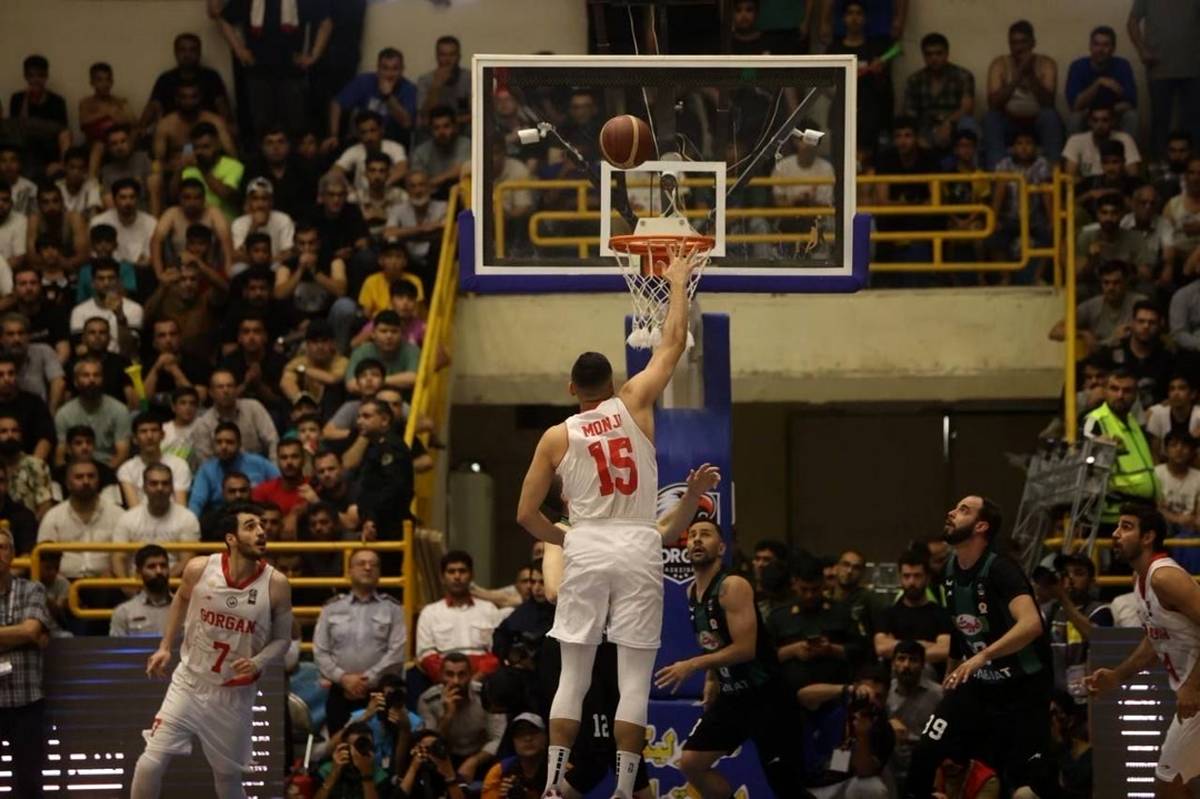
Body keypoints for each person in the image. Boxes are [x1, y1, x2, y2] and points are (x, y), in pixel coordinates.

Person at [515, 250, 698, 799]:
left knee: (573, 675)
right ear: (614, 381)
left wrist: (566, 537)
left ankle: (553, 784)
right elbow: (672, 343)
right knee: (634, 679)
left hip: (589, 542)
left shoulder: (557, 436)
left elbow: (525, 515)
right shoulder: (635, 400)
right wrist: (677, 282)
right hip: (639, 541)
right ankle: (623, 789)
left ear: (571, 389)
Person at [129, 502, 292, 799]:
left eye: (262, 525)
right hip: (189, 683)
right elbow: (180, 599)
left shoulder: (276, 584)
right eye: (251, 526)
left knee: (228, 781)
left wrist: (258, 661)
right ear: (231, 538)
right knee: (149, 763)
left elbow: (283, 640)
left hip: (234, 695)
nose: (261, 531)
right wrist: (165, 646)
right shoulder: (200, 569)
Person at [902, 496, 1053, 798]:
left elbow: (1032, 623)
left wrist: (982, 656)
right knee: (924, 753)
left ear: (981, 526)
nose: (951, 512)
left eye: (963, 510)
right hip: (979, 686)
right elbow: (960, 630)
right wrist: (950, 680)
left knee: (1027, 786)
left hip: (1022, 688)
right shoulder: (949, 570)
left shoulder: (1001, 569)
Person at [655, 518, 807, 797]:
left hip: (767, 696)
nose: (697, 539)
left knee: (786, 787)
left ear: (722, 548)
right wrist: (712, 679)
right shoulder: (691, 591)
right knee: (691, 762)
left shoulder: (733, 586)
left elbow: (744, 649)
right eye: (692, 535)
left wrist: (692, 665)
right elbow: (712, 641)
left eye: (706, 534)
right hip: (732, 698)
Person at [1085, 504, 1200, 797]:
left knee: (1168, 784)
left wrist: (1192, 686)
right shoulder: (1141, 580)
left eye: (1126, 527)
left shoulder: (1164, 577)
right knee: (1173, 784)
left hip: (1197, 692)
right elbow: (1154, 639)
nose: (1115, 534)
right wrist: (1117, 676)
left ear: (1148, 537)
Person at [314, 548, 407, 735]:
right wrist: (343, 678)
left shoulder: (393, 608)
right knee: (340, 746)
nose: (368, 568)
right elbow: (320, 651)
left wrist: (367, 680)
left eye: (373, 565)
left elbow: (397, 651)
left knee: (381, 746)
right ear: (349, 571)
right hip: (340, 692)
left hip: (380, 692)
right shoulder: (331, 608)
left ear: (379, 572)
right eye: (361, 563)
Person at [0, 525, 51, 798]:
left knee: (29, 782)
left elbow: (31, 631)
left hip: (27, 701)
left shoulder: (33, 589)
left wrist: (27, 634)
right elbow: (27, 634)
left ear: (13, 554)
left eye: (2, 547)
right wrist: (19, 635)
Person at [795, 666, 895, 798]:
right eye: (867, 694)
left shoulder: (883, 729)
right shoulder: (833, 705)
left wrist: (862, 735)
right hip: (808, 785)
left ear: (886, 698)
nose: (871, 701)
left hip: (844, 786)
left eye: (878, 697)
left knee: (872, 787)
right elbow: (802, 696)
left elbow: (864, 771)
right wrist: (848, 690)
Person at [417, 651, 508, 784]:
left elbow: (498, 737)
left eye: (462, 674)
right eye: (450, 674)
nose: (456, 681)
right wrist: (447, 716)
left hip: (481, 756)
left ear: (470, 675)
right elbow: (430, 744)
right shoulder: (428, 700)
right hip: (444, 757)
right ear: (441, 676)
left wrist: (473, 761)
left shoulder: (485, 694)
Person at [983, 21, 1063, 170]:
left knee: (1050, 116)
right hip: (1009, 121)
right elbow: (993, 104)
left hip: (1036, 122)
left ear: (1033, 43)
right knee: (991, 118)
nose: (1018, 47)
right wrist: (1017, 77)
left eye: (1023, 42)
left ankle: (1053, 174)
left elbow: (1048, 103)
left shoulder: (1046, 63)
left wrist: (1030, 74)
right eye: (1014, 43)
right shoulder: (1000, 64)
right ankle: (997, 175)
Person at [1083, 370, 1158, 526]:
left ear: (1136, 395)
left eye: (1127, 390)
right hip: (1114, 513)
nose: (1120, 395)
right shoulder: (1095, 420)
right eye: (1114, 389)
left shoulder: (1133, 422)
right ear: (1104, 391)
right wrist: (1098, 444)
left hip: (1142, 511)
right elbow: (1083, 454)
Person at [1127, 0, 1200, 159]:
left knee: (1193, 121)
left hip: (1193, 68)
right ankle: (1158, 165)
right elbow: (1132, 21)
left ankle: (1192, 165)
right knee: (1160, 121)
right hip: (1159, 68)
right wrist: (1142, 50)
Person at [416, 550, 502, 680]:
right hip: (443, 684)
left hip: (485, 682)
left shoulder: (489, 610)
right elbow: (426, 655)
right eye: (451, 572)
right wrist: (453, 680)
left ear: (472, 575)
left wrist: (478, 677)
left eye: (462, 571)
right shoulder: (430, 613)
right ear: (442, 578)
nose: (457, 576)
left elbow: (498, 651)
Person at [37, 459, 123, 580]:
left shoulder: (118, 515)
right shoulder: (53, 516)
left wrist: (113, 574)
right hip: (64, 582)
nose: (86, 481)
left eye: (91, 476)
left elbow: (124, 557)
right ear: (68, 484)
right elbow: (43, 559)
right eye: (79, 477)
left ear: (98, 481)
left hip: (107, 582)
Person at [113, 462, 201, 579]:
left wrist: (157, 583)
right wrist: (127, 586)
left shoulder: (187, 518)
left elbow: (187, 561)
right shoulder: (127, 519)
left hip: (174, 584)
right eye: (154, 483)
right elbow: (118, 559)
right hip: (135, 583)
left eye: (165, 483)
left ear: (172, 487)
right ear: (144, 488)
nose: (160, 488)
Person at [1044, 554, 1112, 703]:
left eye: (1078, 573)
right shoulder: (1051, 610)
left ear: (1092, 582)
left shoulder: (1099, 610)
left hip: (1089, 698)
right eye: (1065, 574)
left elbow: (1098, 639)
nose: (1070, 579)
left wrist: (1063, 598)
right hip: (1056, 698)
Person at [141, 33, 235, 137]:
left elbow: (222, 107)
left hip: (206, 134)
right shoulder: (165, 79)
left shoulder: (211, 77)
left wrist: (229, 126)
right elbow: (152, 107)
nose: (187, 55)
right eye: (182, 50)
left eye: (192, 50)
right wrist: (140, 128)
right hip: (174, 133)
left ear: (199, 53)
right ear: (175, 53)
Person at [874, 548, 952, 674]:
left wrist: (898, 647)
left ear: (927, 578)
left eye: (917, 576)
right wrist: (925, 645)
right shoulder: (888, 613)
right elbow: (881, 648)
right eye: (906, 576)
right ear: (900, 578)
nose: (911, 582)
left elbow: (944, 650)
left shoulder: (941, 614)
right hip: (894, 680)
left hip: (932, 680)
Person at [328, 47, 417, 149]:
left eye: (395, 69)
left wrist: (388, 96)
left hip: (392, 142)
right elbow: (336, 103)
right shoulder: (365, 81)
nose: (389, 74)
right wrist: (334, 135)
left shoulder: (409, 89)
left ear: (402, 70)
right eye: (385, 68)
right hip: (363, 139)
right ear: (378, 69)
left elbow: (407, 123)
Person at [903, 32, 978, 154]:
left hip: (954, 125)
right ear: (923, 56)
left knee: (968, 124)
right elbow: (909, 114)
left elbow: (967, 108)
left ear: (947, 54)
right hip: (925, 128)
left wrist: (948, 123)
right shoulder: (914, 80)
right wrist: (918, 135)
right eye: (929, 54)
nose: (934, 58)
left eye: (939, 53)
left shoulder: (963, 76)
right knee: (906, 134)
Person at [188, 423, 280, 519]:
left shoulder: (258, 463)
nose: (223, 446)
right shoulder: (207, 470)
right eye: (219, 442)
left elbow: (280, 485)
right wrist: (191, 523)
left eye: (229, 442)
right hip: (221, 520)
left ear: (239, 444)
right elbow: (196, 503)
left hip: (257, 517)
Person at [54, 356, 132, 467]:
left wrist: (105, 473)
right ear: (75, 382)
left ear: (102, 380)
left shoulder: (119, 410)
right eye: (86, 375)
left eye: (96, 375)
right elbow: (60, 455)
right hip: (75, 470)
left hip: (109, 467)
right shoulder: (64, 414)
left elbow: (122, 453)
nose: (92, 380)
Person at [887, 640, 944, 789]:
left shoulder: (939, 695)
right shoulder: (884, 693)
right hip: (890, 767)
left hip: (927, 767)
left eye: (913, 660)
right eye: (901, 659)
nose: (906, 665)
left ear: (923, 664)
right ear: (893, 663)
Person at [1065, 26, 1139, 136]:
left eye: (1105, 45)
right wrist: (1098, 83)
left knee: (1131, 116)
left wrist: (1107, 112)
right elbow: (1075, 106)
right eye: (1096, 44)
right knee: (1074, 119)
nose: (1100, 49)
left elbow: (1131, 103)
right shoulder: (1078, 66)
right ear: (1090, 46)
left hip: (1114, 114)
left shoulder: (1122, 65)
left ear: (1113, 48)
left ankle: (1126, 147)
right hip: (1088, 115)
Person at [191, 369, 279, 463]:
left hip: (259, 467)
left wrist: (273, 469)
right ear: (211, 393)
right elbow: (206, 462)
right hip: (223, 469)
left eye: (230, 386)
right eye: (220, 387)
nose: (226, 390)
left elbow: (273, 440)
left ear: (236, 389)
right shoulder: (204, 423)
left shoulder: (253, 408)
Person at [119, 414, 192, 507]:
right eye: (143, 431)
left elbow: (181, 506)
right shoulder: (126, 469)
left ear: (162, 435)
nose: (149, 436)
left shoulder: (179, 465)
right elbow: (134, 509)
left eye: (154, 430)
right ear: (135, 439)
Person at [314, 720, 390, 799]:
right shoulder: (327, 770)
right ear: (344, 747)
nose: (359, 751)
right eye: (357, 746)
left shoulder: (380, 777)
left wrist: (367, 776)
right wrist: (333, 774)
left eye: (364, 746)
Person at [110, 544, 173, 636]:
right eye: (151, 566)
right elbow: (116, 644)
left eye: (163, 565)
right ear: (139, 572)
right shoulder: (124, 612)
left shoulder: (186, 609)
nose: (159, 571)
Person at [482, 712, 548, 799]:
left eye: (533, 732)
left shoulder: (560, 769)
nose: (528, 738)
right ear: (513, 741)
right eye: (520, 734)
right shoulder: (500, 771)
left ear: (545, 737)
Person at [410, 105, 471, 198]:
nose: (441, 132)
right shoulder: (421, 152)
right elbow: (416, 180)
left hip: (462, 195)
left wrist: (434, 181)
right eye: (436, 128)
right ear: (431, 130)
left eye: (446, 126)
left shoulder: (466, 144)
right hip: (431, 198)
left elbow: (462, 169)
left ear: (455, 127)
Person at [417, 36, 471, 127]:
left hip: (463, 128)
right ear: (437, 57)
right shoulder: (425, 80)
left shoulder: (469, 78)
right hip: (434, 130)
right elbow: (424, 116)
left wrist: (450, 123)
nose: (447, 59)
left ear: (459, 57)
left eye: (452, 55)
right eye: (443, 55)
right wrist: (435, 87)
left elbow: (477, 114)